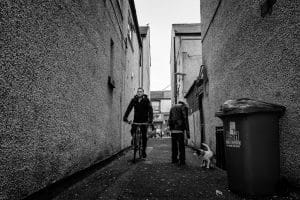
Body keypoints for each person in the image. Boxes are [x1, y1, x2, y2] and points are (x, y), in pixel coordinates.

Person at [123, 87, 153, 158]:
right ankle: (134, 141)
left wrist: (150, 120)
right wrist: (125, 117)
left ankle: (143, 151)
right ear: (137, 93)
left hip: (144, 121)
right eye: (138, 91)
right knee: (132, 130)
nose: (139, 93)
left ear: (143, 93)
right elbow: (129, 108)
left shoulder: (146, 100)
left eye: (141, 91)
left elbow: (150, 110)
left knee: (144, 136)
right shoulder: (134, 100)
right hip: (136, 120)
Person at [168, 99, 190, 165]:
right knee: (181, 146)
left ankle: (174, 159)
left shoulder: (172, 107)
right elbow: (185, 118)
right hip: (180, 129)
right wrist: (187, 130)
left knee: (174, 146)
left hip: (173, 130)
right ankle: (182, 160)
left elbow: (169, 119)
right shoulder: (183, 107)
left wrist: (171, 128)